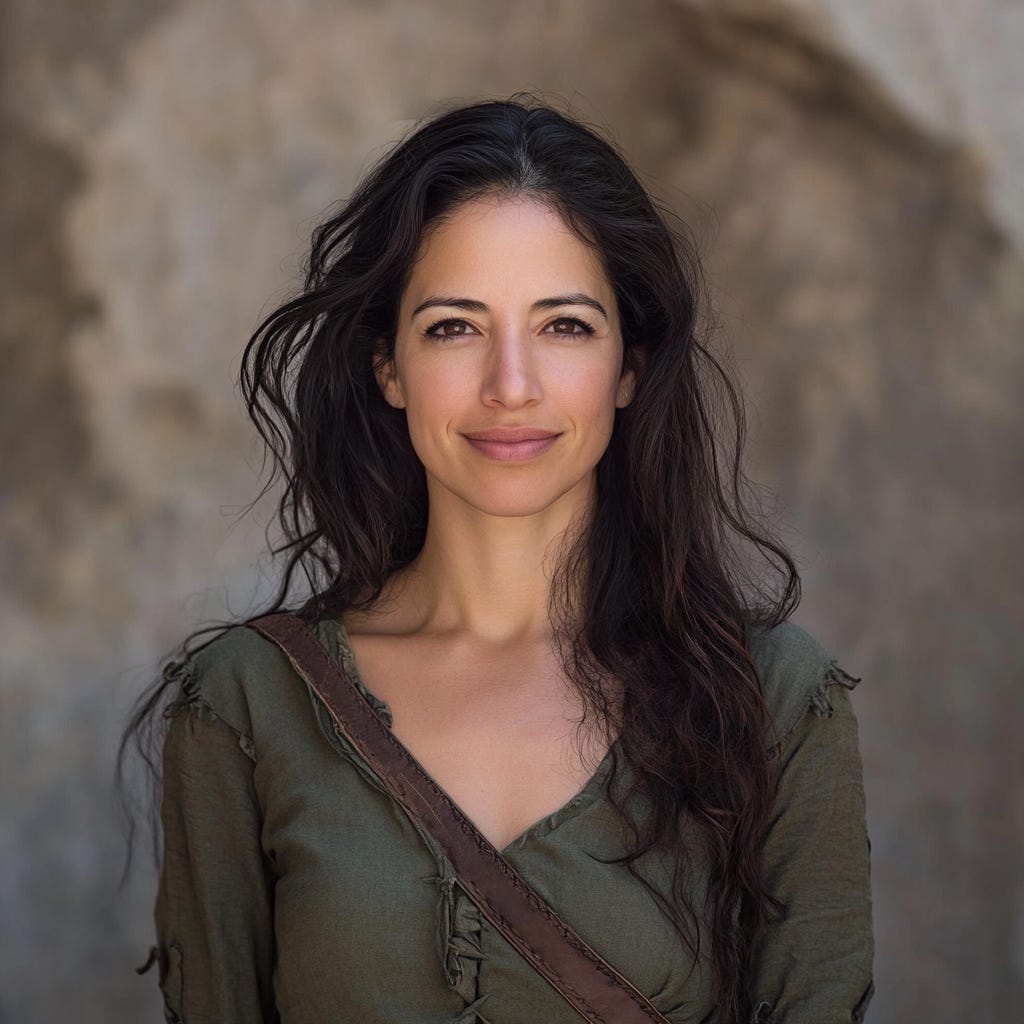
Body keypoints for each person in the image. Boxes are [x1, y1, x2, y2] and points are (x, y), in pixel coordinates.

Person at [116, 93, 874, 1023]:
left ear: (629, 364)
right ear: (387, 366)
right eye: (453, 327)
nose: (511, 386)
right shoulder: (247, 702)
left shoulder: (772, 699)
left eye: (564, 326)